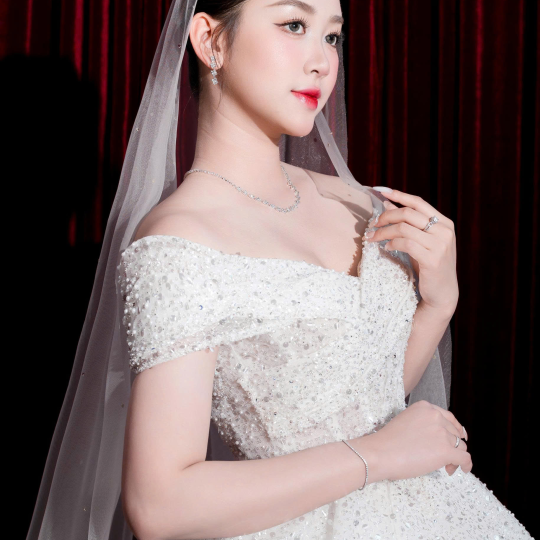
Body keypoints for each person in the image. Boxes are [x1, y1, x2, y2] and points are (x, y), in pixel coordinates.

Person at [27, 1, 534, 539]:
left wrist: (438, 304)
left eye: (332, 36)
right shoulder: (179, 244)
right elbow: (159, 505)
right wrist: (377, 456)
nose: (322, 61)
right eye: (294, 25)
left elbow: (358, 399)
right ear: (211, 40)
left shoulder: (359, 202)